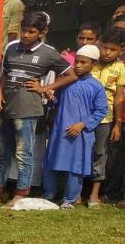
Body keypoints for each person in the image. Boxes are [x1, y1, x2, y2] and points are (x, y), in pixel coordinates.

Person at [0, 11, 73, 207]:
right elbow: (5, 73)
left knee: (24, 153)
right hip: (7, 106)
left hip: (28, 109)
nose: (25, 35)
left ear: (42, 32)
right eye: (24, 30)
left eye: (31, 32)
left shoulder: (48, 52)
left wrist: (45, 88)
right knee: (1, 151)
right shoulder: (11, 47)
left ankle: (21, 193)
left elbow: (71, 75)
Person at [42, 46, 107, 208]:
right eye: (76, 61)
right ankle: (48, 195)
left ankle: (69, 199)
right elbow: (57, 102)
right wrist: (51, 98)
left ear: (93, 64)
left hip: (80, 134)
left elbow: (101, 110)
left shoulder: (96, 86)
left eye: (83, 62)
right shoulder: (65, 81)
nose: (77, 65)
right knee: (52, 161)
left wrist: (83, 124)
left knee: (76, 166)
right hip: (60, 130)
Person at [88, 29, 125, 207]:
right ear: (99, 45)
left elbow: (118, 97)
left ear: (121, 50)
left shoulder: (120, 68)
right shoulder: (90, 62)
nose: (108, 53)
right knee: (82, 152)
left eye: (113, 49)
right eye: (105, 48)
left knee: (100, 154)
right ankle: (76, 191)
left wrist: (117, 124)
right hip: (84, 116)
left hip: (106, 119)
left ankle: (94, 193)